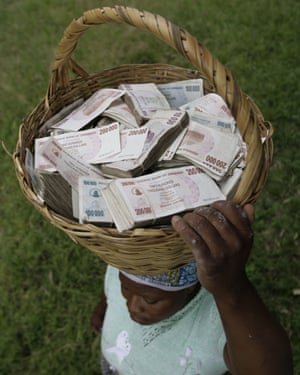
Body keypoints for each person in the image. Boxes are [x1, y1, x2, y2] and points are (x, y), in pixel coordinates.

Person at [91, 200, 293, 375]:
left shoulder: (217, 324)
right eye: (125, 290)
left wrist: (231, 288)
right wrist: (103, 308)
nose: (132, 307)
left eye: (150, 300)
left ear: (189, 287)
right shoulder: (124, 278)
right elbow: (112, 290)